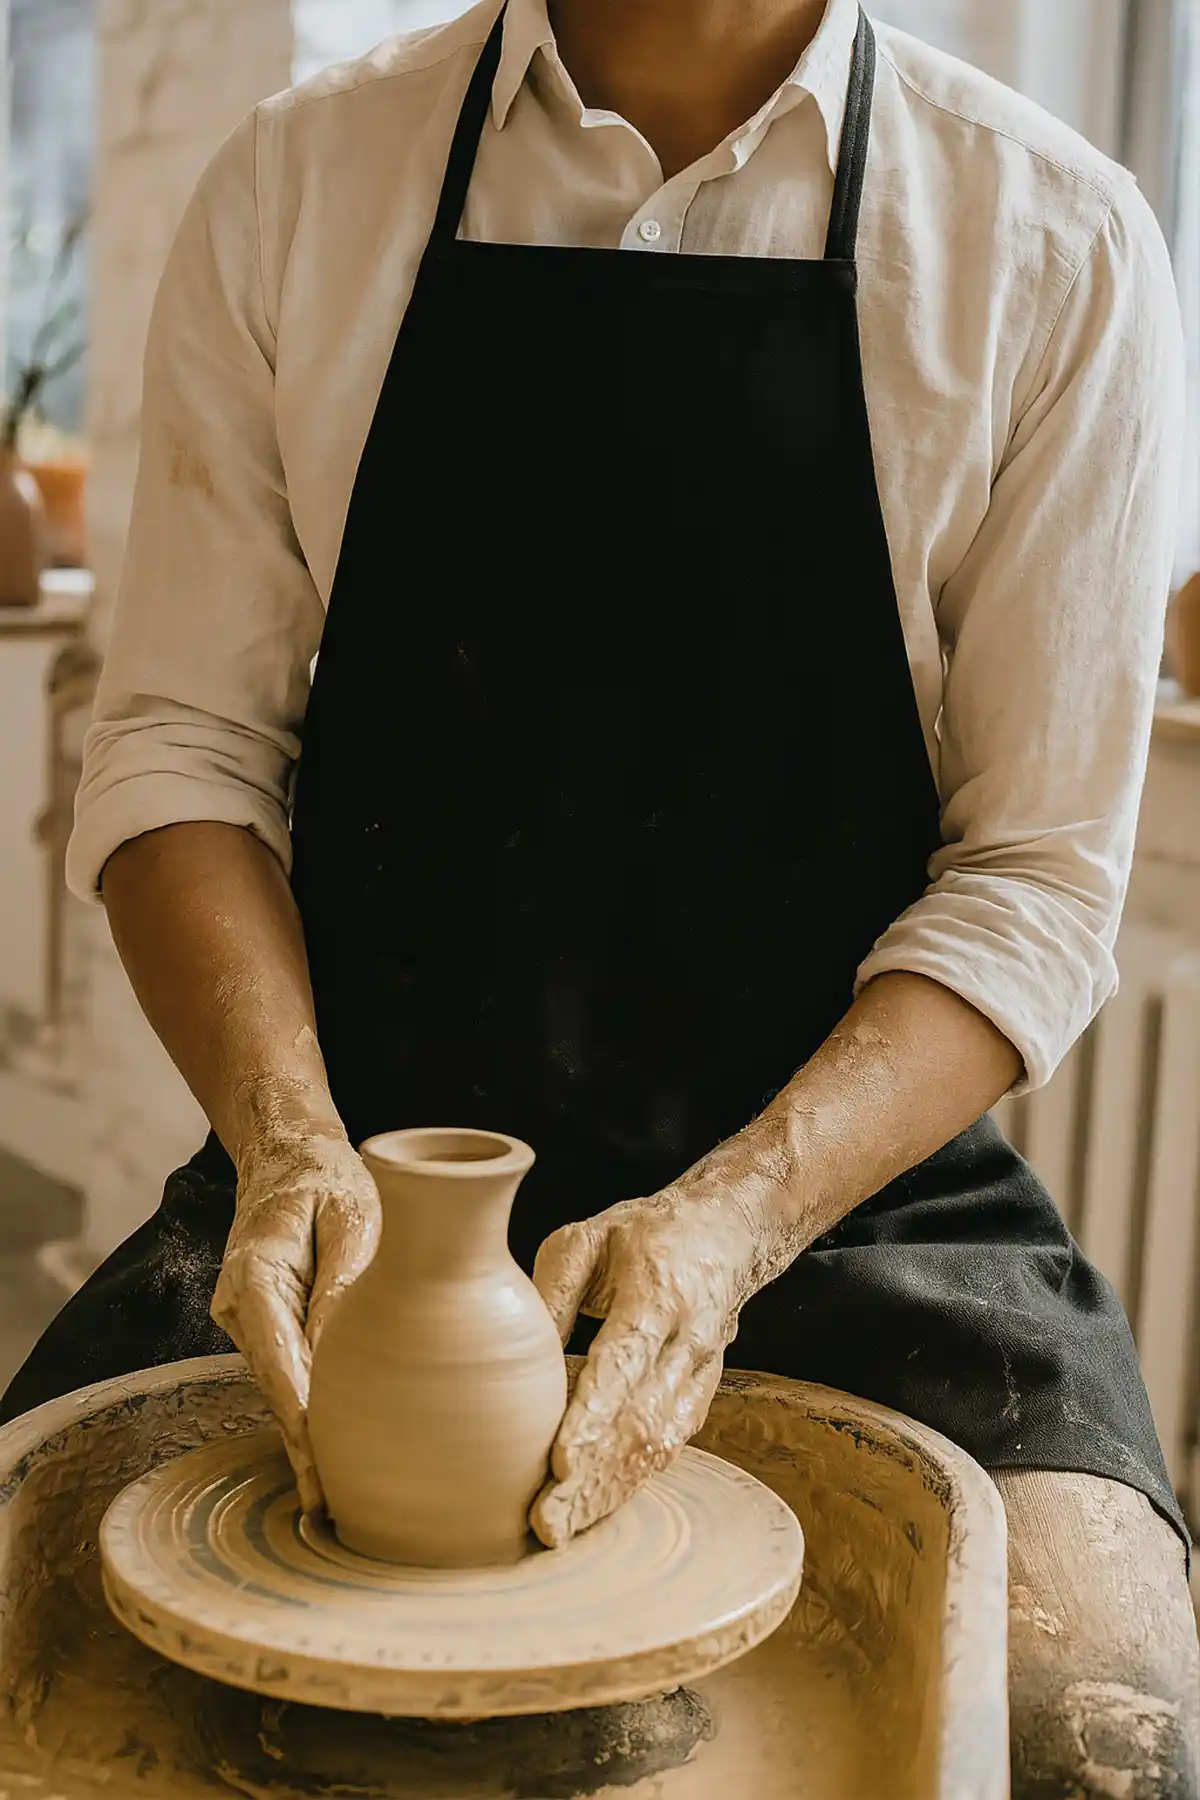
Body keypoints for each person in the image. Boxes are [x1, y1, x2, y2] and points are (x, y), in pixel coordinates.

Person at [4, 0, 1197, 1788]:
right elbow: (179, 750)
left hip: (851, 1221)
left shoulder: (1056, 239)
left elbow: (1030, 880)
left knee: (1098, 1729)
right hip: (358, 1205)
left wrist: (727, 1225)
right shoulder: (300, 181)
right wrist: (283, 1144)